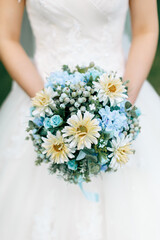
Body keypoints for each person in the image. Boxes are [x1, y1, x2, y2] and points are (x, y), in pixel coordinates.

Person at [0, 0, 160, 239]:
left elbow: (146, 30)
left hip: (121, 96)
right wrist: (50, 109)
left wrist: (122, 107)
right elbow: (6, 36)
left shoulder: (122, 104)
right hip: (39, 95)